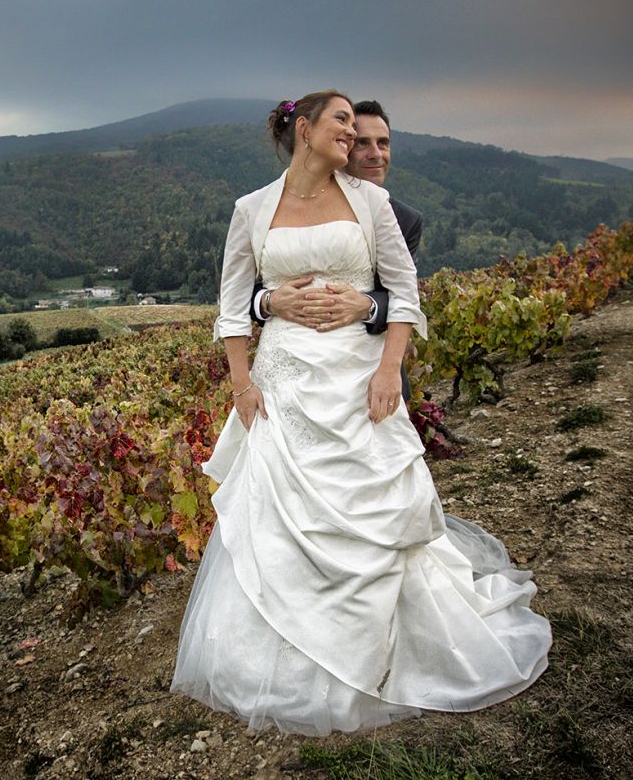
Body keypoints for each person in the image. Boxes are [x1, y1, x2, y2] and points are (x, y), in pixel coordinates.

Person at [171, 90, 551, 736]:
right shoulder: (251, 209)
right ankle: (279, 654)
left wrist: (387, 371)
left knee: (374, 513)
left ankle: (386, 648)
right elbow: (233, 306)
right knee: (277, 518)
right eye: (342, 120)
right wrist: (242, 384)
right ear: (304, 128)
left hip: (357, 381)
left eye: (358, 122)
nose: (354, 133)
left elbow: (404, 294)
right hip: (284, 383)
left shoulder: (371, 203)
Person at [249, 100, 423, 399]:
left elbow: (401, 294)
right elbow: (240, 291)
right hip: (290, 375)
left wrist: (366, 306)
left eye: (383, 143)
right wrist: (270, 301)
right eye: (362, 143)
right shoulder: (273, 206)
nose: (376, 154)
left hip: (369, 376)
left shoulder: (405, 219)